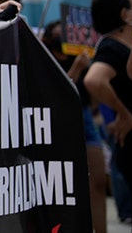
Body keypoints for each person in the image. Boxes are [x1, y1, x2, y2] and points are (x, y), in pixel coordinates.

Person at [41, 19, 108, 233]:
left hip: (84, 118)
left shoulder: (81, 57)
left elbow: (92, 97)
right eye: (57, 33)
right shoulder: (46, 60)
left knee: (97, 180)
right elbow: (60, 92)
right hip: (59, 122)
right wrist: (77, 69)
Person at [85, 0, 132, 233]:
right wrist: (124, 113)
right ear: (124, 14)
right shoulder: (111, 47)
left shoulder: (124, 45)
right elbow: (94, 81)